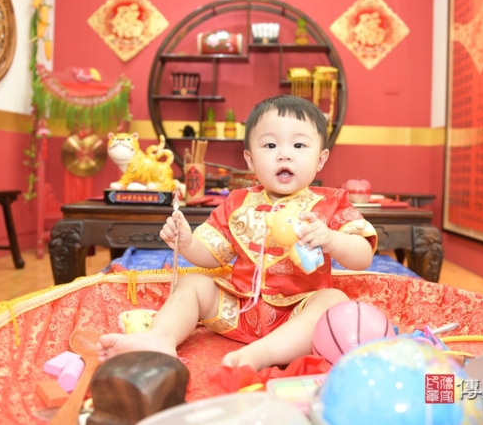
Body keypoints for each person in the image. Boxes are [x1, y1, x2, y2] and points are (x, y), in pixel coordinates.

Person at [97, 95, 377, 370]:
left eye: (299, 145)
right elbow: (211, 255)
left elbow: (363, 255)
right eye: (270, 145)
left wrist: (333, 240)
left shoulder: (332, 202)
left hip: (299, 313)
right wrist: (187, 242)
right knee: (193, 283)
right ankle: (160, 337)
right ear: (250, 160)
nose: (284, 154)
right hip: (240, 308)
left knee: (333, 301)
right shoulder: (237, 203)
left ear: (320, 159)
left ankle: (262, 353)